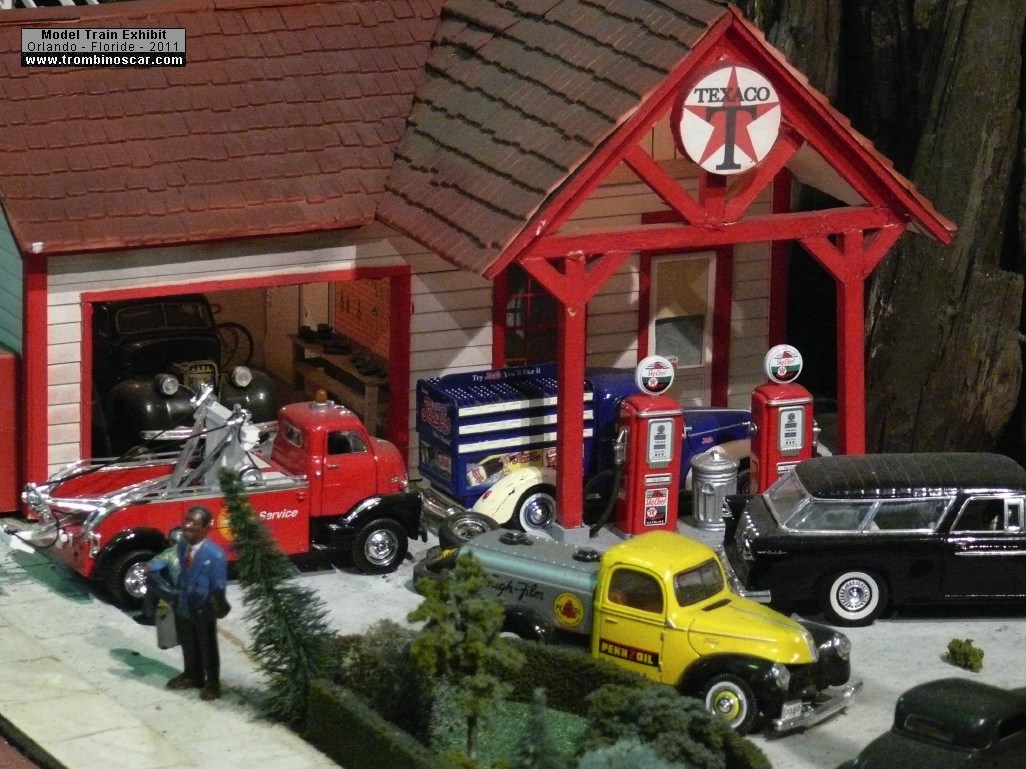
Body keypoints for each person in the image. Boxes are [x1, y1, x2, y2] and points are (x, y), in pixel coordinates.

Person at [165, 505, 229, 701]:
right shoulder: (182, 546)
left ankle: (213, 683)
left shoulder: (214, 555)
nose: (187, 526)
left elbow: (218, 585)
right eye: (186, 520)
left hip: (204, 608)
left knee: (207, 646)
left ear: (205, 528)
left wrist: (217, 605)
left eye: (193, 523)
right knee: (188, 641)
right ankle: (192, 675)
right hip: (185, 603)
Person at [133, 527, 183, 626]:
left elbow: (148, 568)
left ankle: (149, 616)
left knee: (151, 577)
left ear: (172, 541)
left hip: (178, 595)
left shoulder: (170, 552)